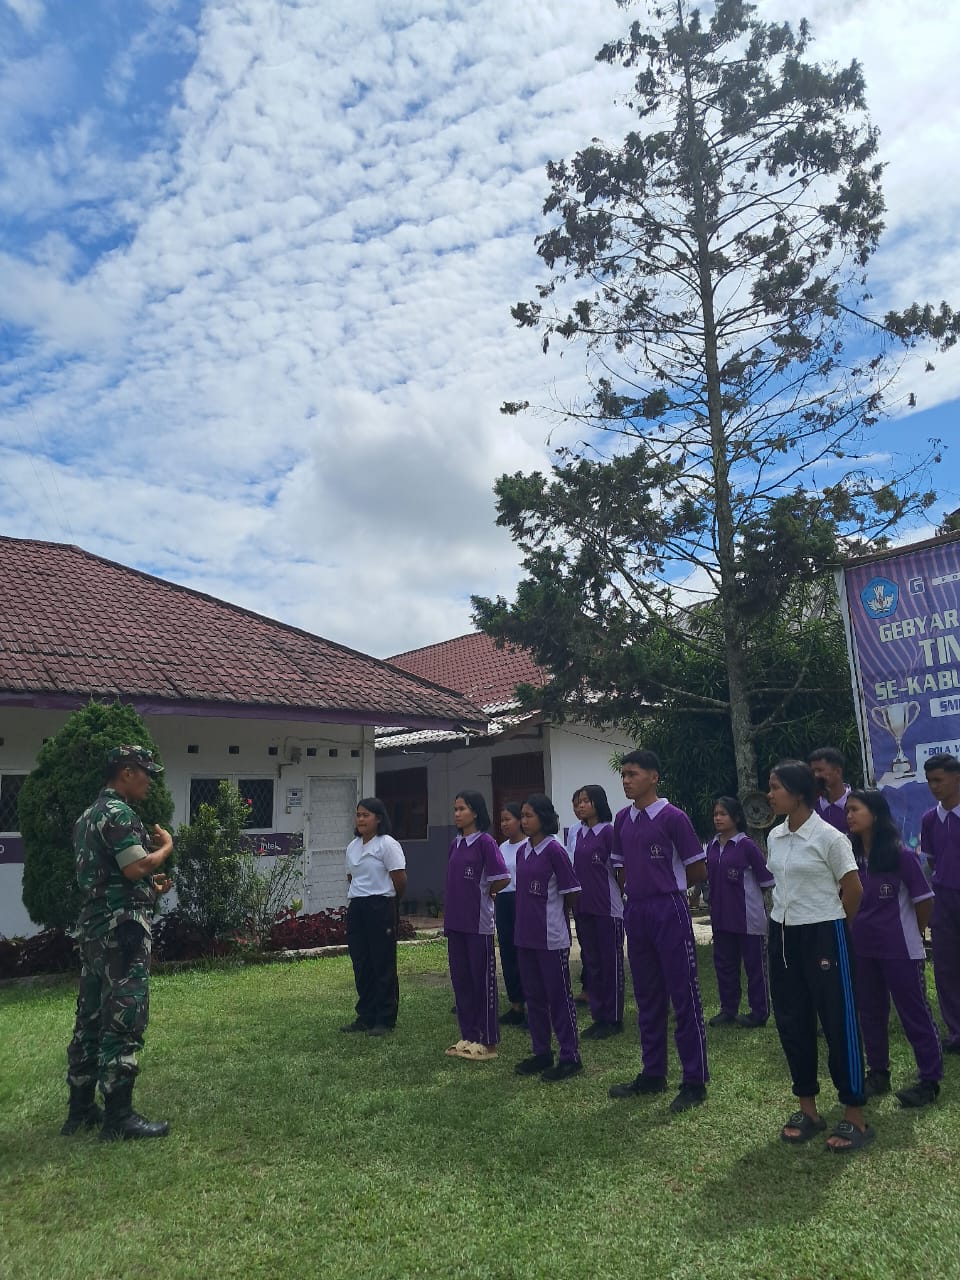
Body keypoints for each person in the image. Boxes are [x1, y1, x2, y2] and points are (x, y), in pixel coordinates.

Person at [63, 744, 174, 1142]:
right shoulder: (119, 813)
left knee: (90, 1019)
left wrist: (149, 887)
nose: (149, 781)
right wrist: (166, 848)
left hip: (94, 930)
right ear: (126, 772)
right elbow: (135, 866)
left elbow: (109, 875)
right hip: (122, 931)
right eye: (145, 772)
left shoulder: (87, 816)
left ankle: (80, 1111)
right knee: (124, 1017)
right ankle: (119, 1118)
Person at [766, 760, 871, 1152]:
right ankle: (807, 1109)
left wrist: (836, 927)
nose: (770, 795)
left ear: (797, 793)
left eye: (775, 787)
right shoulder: (775, 836)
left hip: (824, 933)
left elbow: (853, 889)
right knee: (792, 1020)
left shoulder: (829, 837)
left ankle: (854, 1114)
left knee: (837, 1020)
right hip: (783, 934)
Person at [607, 750, 710, 1114]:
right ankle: (653, 1073)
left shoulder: (673, 818)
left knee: (684, 995)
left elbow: (698, 868)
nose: (626, 780)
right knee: (647, 996)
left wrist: (667, 886)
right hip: (636, 910)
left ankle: (694, 1080)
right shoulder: (622, 819)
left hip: (669, 909)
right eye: (623, 774)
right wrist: (636, 889)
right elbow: (620, 867)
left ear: (653, 777)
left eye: (633, 774)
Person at [846, 788, 942, 1107]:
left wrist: (914, 933)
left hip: (900, 950)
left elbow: (924, 902)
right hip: (864, 949)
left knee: (914, 1013)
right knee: (870, 1013)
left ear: (875, 814)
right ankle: (878, 1073)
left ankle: (929, 1081)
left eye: (855, 809)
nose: (849, 815)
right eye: (847, 810)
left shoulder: (901, 856)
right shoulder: (852, 858)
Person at [513, 793, 583, 1081]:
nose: (524, 821)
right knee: (534, 997)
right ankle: (541, 1052)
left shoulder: (555, 850)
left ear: (543, 818)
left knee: (558, 997)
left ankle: (570, 1056)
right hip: (525, 936)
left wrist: (556, 918)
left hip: (551, 937)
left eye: (529, 816)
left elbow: (572, 893)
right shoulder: (522, 851)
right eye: (522, 816)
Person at [444, 791, 511, 1061]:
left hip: (477, 923)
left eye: (462, 809)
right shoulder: (456, 844)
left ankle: (487, 1040)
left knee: (482, 982)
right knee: (461, 981)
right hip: (456, 922)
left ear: (475, 812)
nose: (457, 814)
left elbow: (502, 877)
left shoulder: (485, 842)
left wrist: (488, 892)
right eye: (455, 809)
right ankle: (468, 1035)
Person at [705, 795, 775, 1029]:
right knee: (725, 965)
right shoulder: (712, 846)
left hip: (747, 918)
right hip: (721, 917)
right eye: (715, 814)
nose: (718, 818)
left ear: (736, 817)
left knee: (754, 967)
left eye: (723, 814)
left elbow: (766, 881)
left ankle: (759, 1012)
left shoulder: (746, 845)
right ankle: (728, 1009)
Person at [341, 798, 406, 1038]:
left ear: (378, 818)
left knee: (382, 962)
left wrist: (389, 904)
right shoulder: (352, 847)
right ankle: (366, 1015)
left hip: (381, 905)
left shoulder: (387, 844)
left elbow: (399, 879)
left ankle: (385, 1017)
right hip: (358, 906)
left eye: (366, 815)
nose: (360, 819)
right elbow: (351, 877)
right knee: (361, 962)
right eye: (358, 815)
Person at [570, 785, 624, 1039]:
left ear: (598, 803)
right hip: (583, 906)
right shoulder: (579, 833)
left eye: (586, 801)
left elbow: (620, 871)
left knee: (610, 963)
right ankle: (598, 1015)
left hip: (607, 907)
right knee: (592, 963)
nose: (581, 806)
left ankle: (613, 1018)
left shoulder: (608, 832)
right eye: (578, 802)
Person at [920, 753, 960, 1053]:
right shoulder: (930, 819)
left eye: (939, 780)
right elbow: (931, 860)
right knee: (946, 967)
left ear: (956, 779)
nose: (934, 786)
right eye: (930, 781)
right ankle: (956, 1031)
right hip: (944, 899)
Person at [496, 802, 526, 1026]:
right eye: (502, 820)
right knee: (508, 953)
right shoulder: (501, 847)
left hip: (523, 901)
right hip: (504, 901)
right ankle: (516, 1005)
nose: (504, 824)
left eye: (508, 819)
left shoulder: (530, 845)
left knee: (525, 953)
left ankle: (533, 1005)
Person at [808, 746, 851, 833]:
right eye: (813, 772)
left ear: (838, 772)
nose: (816, 775)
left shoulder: (858, 804)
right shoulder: (809, 806)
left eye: (820, 770)